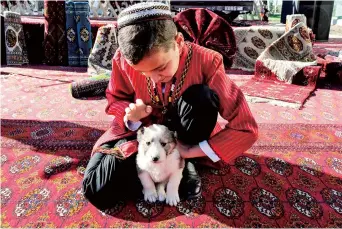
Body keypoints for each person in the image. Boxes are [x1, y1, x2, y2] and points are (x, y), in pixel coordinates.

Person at [82, 2, 258, 211]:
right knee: (96, 190)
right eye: (144, 73)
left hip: (187, 133)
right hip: (143, 136)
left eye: (161, 67)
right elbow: (115, 98)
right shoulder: (122, 59)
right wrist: (132, 117)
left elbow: (246, 127)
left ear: (178, 41)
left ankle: (185, 162)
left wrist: (190, 150)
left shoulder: (207, 61)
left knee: (201, 98)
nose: (155, 79)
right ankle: (169, 171)